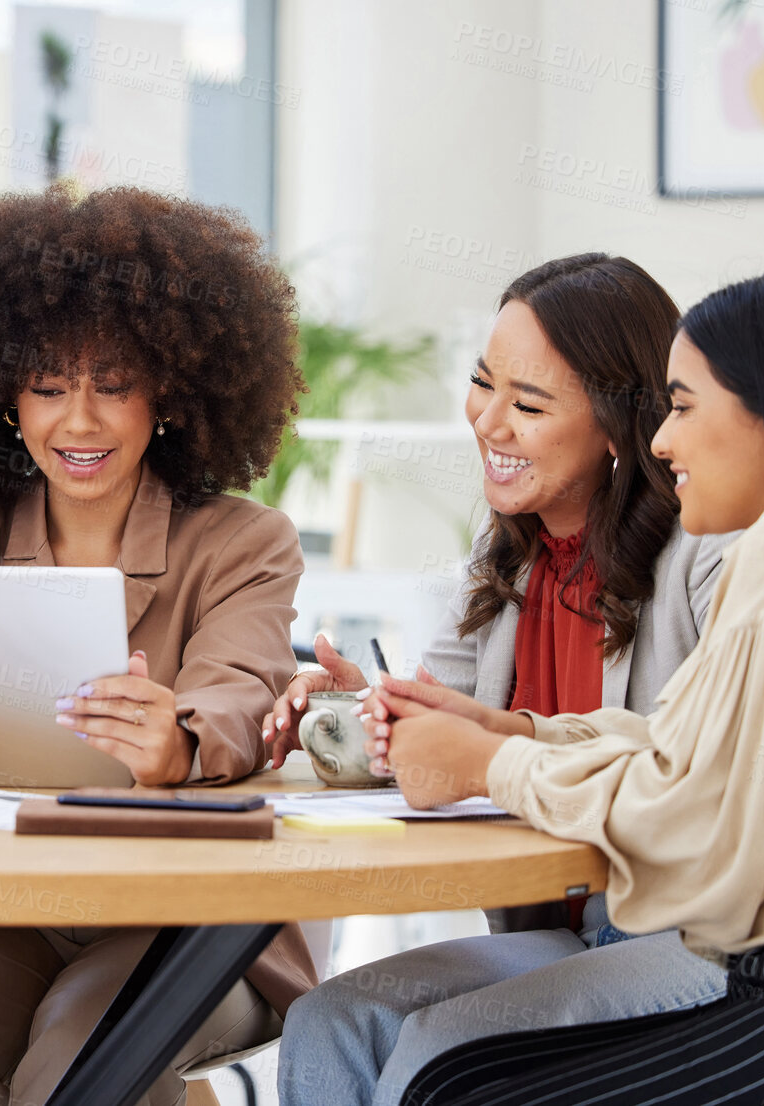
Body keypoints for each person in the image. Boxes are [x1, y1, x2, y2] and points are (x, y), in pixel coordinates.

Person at [377, 266, 764, 1104]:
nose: (661, 441)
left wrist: (494, 768)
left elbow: (702, 825)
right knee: (449, 1074)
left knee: (455, 1086)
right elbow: (691, 748)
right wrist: (517, 733)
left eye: (684, 407)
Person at [0, 185, 318, 1106]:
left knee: (84, 1061)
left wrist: (176, 739)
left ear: (168, 392)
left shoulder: (244, 542)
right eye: (48, 388)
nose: (79, 422)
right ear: (2, 399)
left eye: (113, 385)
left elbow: (245, 692)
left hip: (177, 910)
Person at [267, 254, 732, 1106]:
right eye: (483, 385)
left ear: (618, 425)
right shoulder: (502, 558)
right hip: (561, 930)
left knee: (443, 1051)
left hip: (691, 939)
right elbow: (436, 737)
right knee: (330, 1019)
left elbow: (700, 772)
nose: (489, 421)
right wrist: (355, 712)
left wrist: (493, 742)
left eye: (529, 404)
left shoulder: (702, 555)